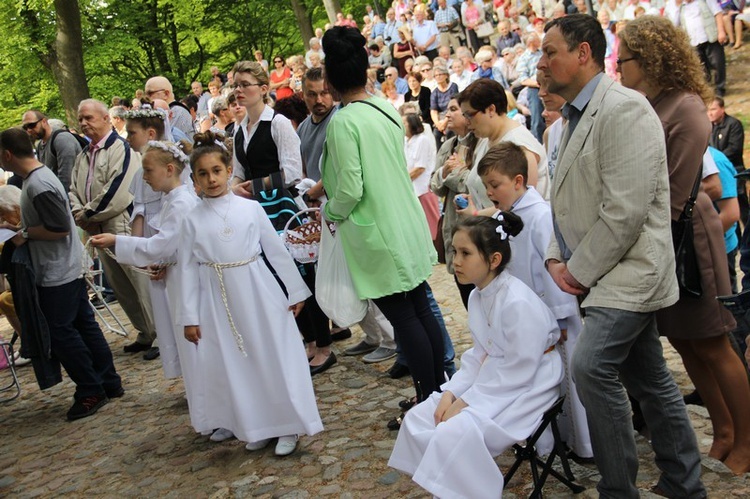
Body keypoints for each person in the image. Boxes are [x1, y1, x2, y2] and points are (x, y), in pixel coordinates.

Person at [538, 14, 706, 497]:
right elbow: (567, 199)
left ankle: (619, 490)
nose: (542, 62)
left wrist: (576, 269)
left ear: (584, 53)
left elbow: (625, 212)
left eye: (551, 52)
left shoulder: (624, 109)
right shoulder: (573, 116)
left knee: (590, 367)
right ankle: (684, 484)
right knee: (650, 378)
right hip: (602, 270)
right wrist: (555, 257)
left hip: (632, 271)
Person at [618, 15, 750, 475]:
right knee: (685, 342)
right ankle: (724, 431)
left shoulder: (686, 106)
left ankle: (746, 439)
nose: (618, 67)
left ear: (649, 58)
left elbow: (672, 191)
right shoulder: (652, 104)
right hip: (667, 238)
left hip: (689, 237)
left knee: (714, 341)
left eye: (624, 59)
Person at [388, 212, 564, 496]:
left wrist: (467, 402)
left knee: (454, 430)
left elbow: (520, 370)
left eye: (465, 253)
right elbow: (480, 354)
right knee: (421, 417)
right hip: (497, 374)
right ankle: (448, 487)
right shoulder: (478, 295)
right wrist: (452, 392)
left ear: (494, 260)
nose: (455, 260)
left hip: (532, 381)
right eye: (455, 251)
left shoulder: (517, 302)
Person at [175, 131, 322, 456]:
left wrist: (294, 291)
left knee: (271, 355)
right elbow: (186, 269)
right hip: (217, 300)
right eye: (203, 173)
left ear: (229, 170)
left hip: (258, 292)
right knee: (237, 362)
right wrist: (189, 317)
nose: (211, 179)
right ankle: (257, 425)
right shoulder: (192, 220)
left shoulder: (250, 209)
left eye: (217, 170)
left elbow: (276, 251)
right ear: (194, 178)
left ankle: (287, 425)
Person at [321, 26, 444, 408]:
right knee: (420, 307)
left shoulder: (344, 121)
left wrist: (329, 210)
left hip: (376, 229)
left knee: (406, 318)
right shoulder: (385, 108)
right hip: (402, 219)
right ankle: (437, 394)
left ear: (330, 79)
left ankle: (427, 402)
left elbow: (350, 188)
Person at [477, 142, 593, 460]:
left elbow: (552, 266)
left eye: (495, 184)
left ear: (518, 181)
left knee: (567, 381)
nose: (489, 192)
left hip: (556, 319)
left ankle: (581, 443)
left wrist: (559, 317)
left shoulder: (540, 216)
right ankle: (548, 439)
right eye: (486, 185)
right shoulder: (508, 215)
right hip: (530, 319)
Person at [0, 127, 122, 421]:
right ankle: (108, 382)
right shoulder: (37, 178)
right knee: (83, 326)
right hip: (64, 266)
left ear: (7, 154)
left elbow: (59, 229)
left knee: (62, 333)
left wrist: (22, 234)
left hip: (57, 270)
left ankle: (91, 389)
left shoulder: (38, 184)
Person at [297, 67, 397, 364]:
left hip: (342, 204)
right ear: (303, 95)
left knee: (361, 275)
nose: (319, 99)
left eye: (324, 92)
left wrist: (313, 194)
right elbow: (306, 168)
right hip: (320, 209)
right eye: (312, 94)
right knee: (341, 276)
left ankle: (391, 339)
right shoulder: (304, 127)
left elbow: (342, 172)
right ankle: (372, 336)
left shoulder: (341, 121)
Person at [89, 140, 199, 384]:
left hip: (188, 280)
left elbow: (161, 244)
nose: (144, 177)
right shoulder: (172, 199)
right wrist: (163, 262)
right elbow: (171, 246)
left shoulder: (181, 202)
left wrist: (116, 240)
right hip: (178, 274)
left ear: (170, 170)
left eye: (148, 170)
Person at [69, 99, 158, 355]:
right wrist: (79, 212)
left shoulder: (121, 148)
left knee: (138, 279)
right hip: (96, 226)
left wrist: (88, 213)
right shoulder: (83, 155)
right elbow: (74, 188)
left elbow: (119, 190)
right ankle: (143, 330)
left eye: (90, 118)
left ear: (106, 118)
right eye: (81, 118)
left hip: (119, 223)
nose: (84, 123)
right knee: (120, 284)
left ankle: (158, 334)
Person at [458, 79, 549, 210]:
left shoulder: (520, 145)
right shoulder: (485, 138)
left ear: (491, 109)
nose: (466, 122)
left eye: (469, 115)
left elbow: (522, 207)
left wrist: (476, 215)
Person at [430, 98, 478, 309]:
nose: (447, 114)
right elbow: (435, 185)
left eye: (453, 110)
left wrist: (452, 173)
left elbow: (471, 184)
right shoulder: (449, 145)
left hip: (475, 224)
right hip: (453, 225)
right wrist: (445, 172)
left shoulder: (480, 144)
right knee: (463, 286)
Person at [666, 0, 728, 97]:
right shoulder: (680, 7)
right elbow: (675, 24)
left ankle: (720, 88)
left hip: (710, 37)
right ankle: (708, 90)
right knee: (701, 68)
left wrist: (721, 31)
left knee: (718, 63)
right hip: (693, 41)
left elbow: (718, 13)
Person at [21, 110, 83, 191]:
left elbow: (67, 178)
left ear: (44, 121)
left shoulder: (62, 139)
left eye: (32, 125)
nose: (29, 130)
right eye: (25, 128)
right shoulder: (40, 145)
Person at [708, 96, 746, 227]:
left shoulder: (734, 124)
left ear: (722, 109)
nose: (710, 113)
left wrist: (717, 159)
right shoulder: (710, 126)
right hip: (717, 172)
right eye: (708, 110)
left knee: (742, 207)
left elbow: (734, 148)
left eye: (713, 109)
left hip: (735, 171)